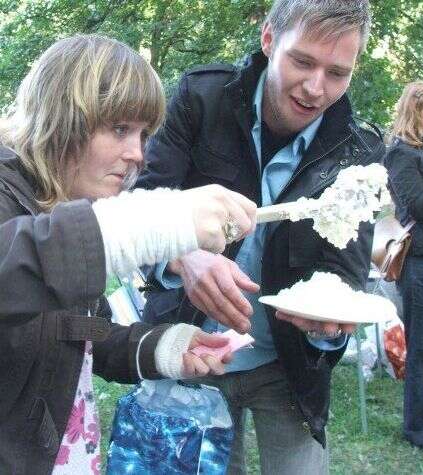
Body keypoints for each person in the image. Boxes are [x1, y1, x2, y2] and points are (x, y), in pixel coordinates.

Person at [138, 0, 386, 473]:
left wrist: (329, 320)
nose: (315, 88)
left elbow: (347, 270)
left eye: (337, 73)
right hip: (189, 348)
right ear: (269, 39)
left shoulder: (358, 149)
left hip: (289, 367)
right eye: (303, 62)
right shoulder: (202, 98)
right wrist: (183, 255)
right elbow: (144, 201)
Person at [0, 34, 257, 475]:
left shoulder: (61, 206)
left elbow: (82, 335)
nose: (137, 154)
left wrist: (165, 348)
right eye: (119, 129)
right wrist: (149, 225)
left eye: (143, 134)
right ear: (63, 117)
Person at [384, 81, 423, 453]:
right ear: (417, 109)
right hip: (421, 261)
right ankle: (419, 429)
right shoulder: (401, 153)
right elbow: (416, 206)